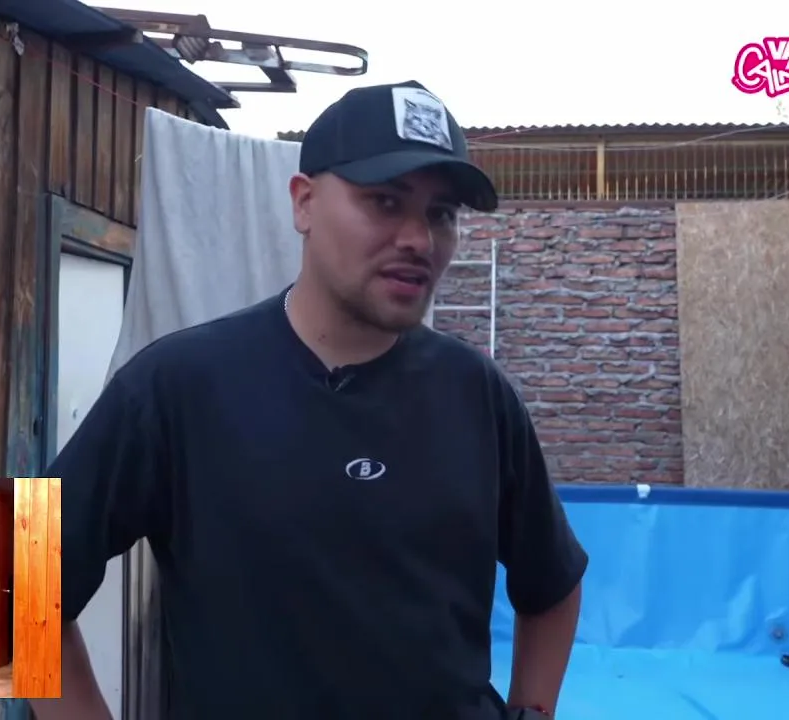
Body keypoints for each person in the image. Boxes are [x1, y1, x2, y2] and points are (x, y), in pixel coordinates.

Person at [38, 80, 587, 720]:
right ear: (303, 202)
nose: (419, 239)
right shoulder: (179, 386)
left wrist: (532, 711)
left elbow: (553, 582)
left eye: (441, 214)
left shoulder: (478, 394)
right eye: (385, 201)